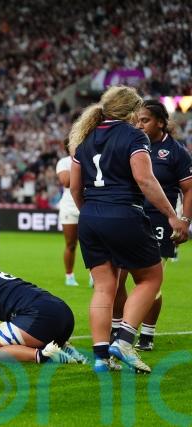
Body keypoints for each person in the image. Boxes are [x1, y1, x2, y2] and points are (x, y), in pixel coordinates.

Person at [69, 86, 188, 374]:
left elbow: (74, 187)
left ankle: (101, 358)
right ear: (133, 112)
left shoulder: (85, 137)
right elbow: (145, 180)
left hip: (90, 216)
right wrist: (172, 216)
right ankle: (124, 341)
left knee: (104, 287)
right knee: (151, 278)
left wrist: (91, 213)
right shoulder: (134, 136)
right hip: (123, 213)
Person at [112, 100, 192, 351]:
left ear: (161, 122)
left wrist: (184, 220)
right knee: (116, 279)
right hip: (129, 218)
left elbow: (189, 189)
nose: (139, 125)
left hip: (159, 221)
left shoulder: (176, 152)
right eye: (137, 120)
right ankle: (116, 330)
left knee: (149, 281)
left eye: (145, 120)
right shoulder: (132, 145)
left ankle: (147, 335)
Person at [55, 139, 81, 286]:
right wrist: (80, 163)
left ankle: (94, 275)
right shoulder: (63, 162)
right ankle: (69, 275)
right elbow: (66, 182)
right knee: (71, 244)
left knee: (93, 244)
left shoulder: (89, 158)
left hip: (87, 205)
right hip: (69, 207)